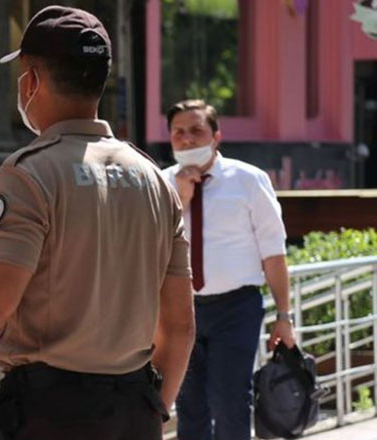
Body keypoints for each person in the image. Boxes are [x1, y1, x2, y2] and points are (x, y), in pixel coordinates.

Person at [0, 6, 195, 439]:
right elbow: (180, 327)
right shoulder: (154, 178)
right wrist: (155, 412)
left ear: (32, 81)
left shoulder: (29, 172)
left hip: (50, 413)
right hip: (134, 411)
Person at [163, 99, 296, 440]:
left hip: (235, 307)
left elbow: (273, 252)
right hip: (180, 307)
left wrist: (284, 316)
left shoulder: (249, 180)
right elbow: (149, 249)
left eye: (196, 130)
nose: (187, 139)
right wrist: (180, 200)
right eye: (179, 132)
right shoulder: (161, 184)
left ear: (216, 136)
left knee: (230, 400)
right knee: (188, 404)